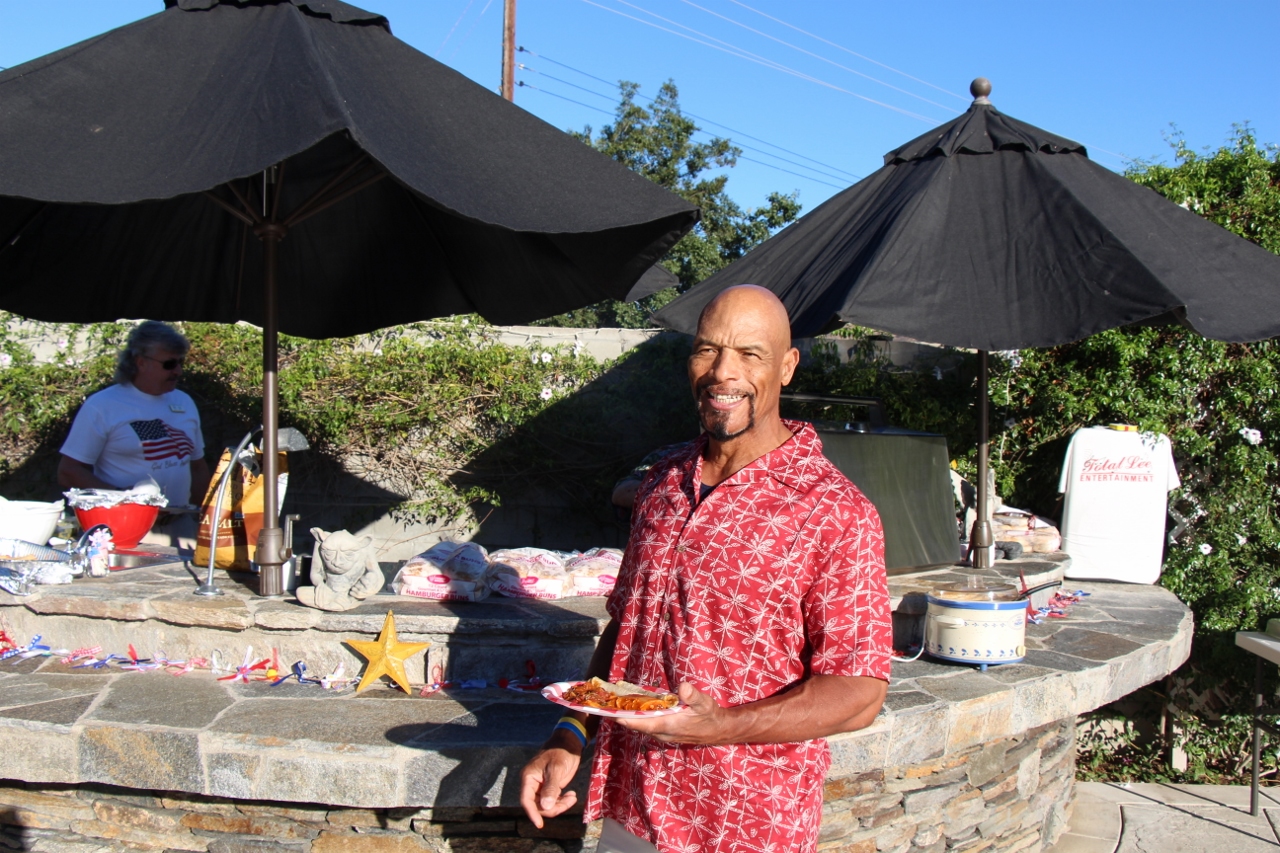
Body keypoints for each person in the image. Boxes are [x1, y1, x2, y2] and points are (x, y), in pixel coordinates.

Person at [521, 285, 891, 853]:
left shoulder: (836, 512)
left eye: (751, 354)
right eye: (706, 350)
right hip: (633, 809)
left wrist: (722, 725)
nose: (723, 372)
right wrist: (572, 731)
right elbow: (629, 629)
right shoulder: (662, 483)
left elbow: (860, 691)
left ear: (788, 366)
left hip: (747, 820)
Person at [58, 321, 210, 545]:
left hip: (182, 527)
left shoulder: (183, 402)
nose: (178, 371)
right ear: (141, 362)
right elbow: (69, 471)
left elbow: (197, 466)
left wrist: (208, 517)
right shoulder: (103, 405)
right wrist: (128, 500)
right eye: (169, 364)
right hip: (125, 526)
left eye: (180, 362)